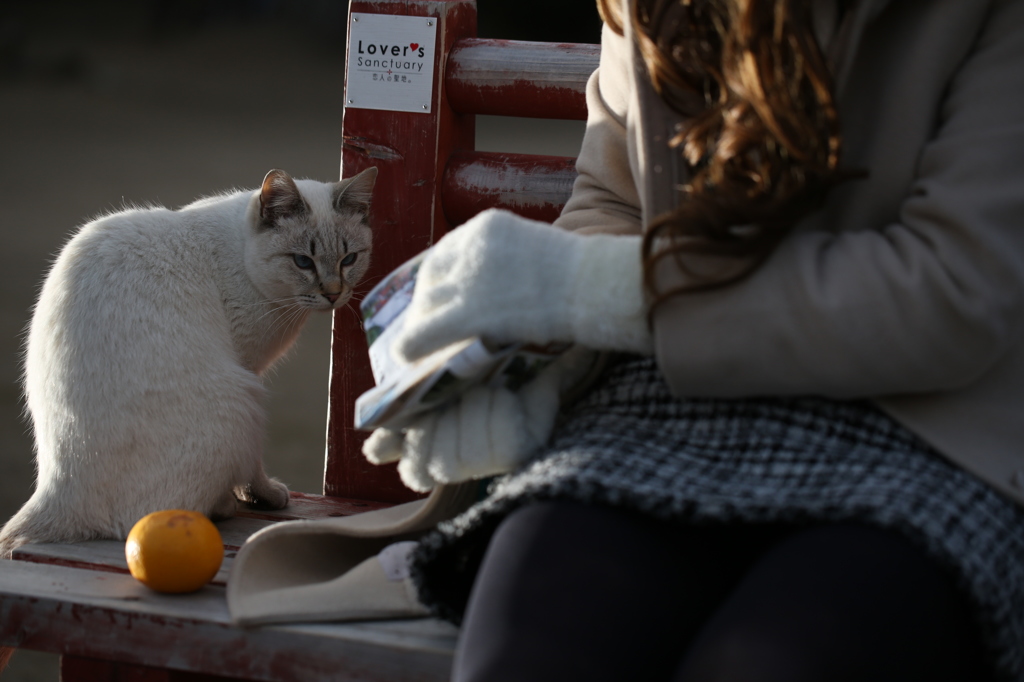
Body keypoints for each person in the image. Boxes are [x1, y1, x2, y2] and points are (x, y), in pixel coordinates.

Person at [363, 0, 1024, 679]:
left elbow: (952, 290)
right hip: (665, 405)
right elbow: (612, 200)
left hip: (927, 434)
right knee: (529, 657)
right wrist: (544, 361)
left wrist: (601, 293)